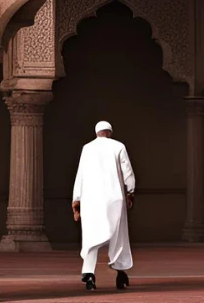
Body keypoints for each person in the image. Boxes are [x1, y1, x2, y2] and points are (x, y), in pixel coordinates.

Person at [72, 120, 136, 291]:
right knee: (118, 236)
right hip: (115, 197)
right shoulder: (118, 146)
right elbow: (127, 171)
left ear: (96, 132)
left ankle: (88, 274)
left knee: (92, 236)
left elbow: (81, 174)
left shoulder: (87, 148)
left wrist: (76, 200)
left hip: (92, 199)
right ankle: (120, 272)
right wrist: (130, 191)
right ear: (110, 132)